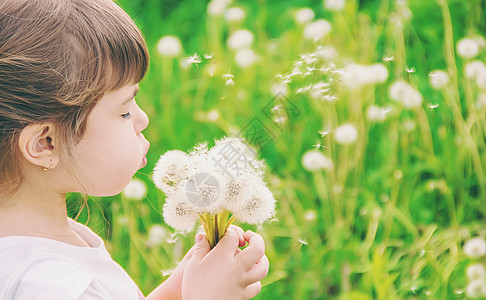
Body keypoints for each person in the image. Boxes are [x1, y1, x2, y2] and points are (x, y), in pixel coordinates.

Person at [0, 0, 269, 299]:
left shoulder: (42, 244)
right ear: (44, 143)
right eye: (125, 110)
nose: (143, 119)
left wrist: (178, 290)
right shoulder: (49, 285)